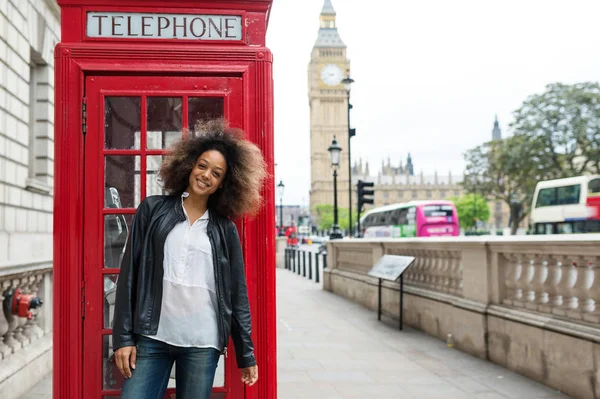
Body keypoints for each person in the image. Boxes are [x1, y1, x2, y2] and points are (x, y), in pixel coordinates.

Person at [112, 119, 266, 399]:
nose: (206, 175)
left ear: (223, 184)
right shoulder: (153, 210)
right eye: (203, 165)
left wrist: (246, 354)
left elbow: (236, 295)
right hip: (152, 336)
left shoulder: (224, 230)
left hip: (201, 341)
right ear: (190, 165)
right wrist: (122, 338)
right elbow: (129, 275)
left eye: (216, 173)